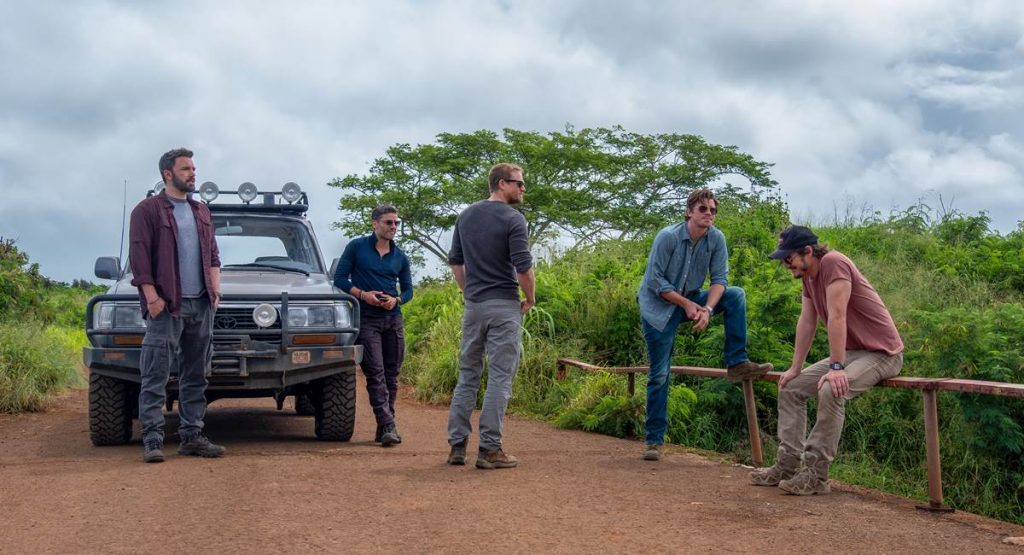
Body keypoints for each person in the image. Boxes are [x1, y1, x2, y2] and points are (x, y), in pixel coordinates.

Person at [750, 225, 903, 495]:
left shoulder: (834, 263)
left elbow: (837, 315)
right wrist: (796, 367)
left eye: (789, 258)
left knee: (832, 388)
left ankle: (816, 475)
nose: (787, 265)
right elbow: (807, 321)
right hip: (853, 352)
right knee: (791, 387)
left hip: (882, 352)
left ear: (808, 251)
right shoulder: (808, 277)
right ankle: (787, 465)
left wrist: (835, 367)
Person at [637, 188, 773, 461]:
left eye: (713, 210)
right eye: (703, 209)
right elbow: (656, 282)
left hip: (691, 298)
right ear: (689, 212)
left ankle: (737, 362)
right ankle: (654, 441)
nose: (709, 214)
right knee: (660, 373)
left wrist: (708, 309)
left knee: (735, 295)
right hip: (658, 307)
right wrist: (687, 305)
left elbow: (720, 279)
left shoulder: (716, 239)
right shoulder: (668, 237)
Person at [129, 148, 225, 463]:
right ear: (168, 174)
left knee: (197, 374)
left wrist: (215, 293)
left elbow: (213, 255)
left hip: (201, 304)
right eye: (186, 169)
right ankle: (153, 441)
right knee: (155, 374)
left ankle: (192, 437)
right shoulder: (147, 210)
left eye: (193, 168)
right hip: (167, 306)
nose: (193, 173)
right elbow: (139, 257)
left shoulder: (201, 211)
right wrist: (152, 297)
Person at [445, 163, 535, 470]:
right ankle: (489, 448)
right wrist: (531, 298)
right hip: (504, 304)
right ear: (500, 184)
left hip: (474, 305)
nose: (523, 189)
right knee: (500, 376)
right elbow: (523, 267)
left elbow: (456, 262)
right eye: (518, 183)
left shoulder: (466, 216)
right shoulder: (514, 219)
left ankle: (457, 446)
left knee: (468, 373)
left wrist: (468, 291)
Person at [334, 204, 413, 447]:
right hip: (366, 319)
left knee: (392, 375)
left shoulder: (400, 257)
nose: (393, 227)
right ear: (374, 223)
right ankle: (389, 425)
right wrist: (362, 294)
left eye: (396, 223)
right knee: (375, 373)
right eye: (389, 222)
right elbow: (339, 278)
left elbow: (409, 290)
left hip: (393, 319)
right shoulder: (357, 247)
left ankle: (384, 426)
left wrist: (396, 299)